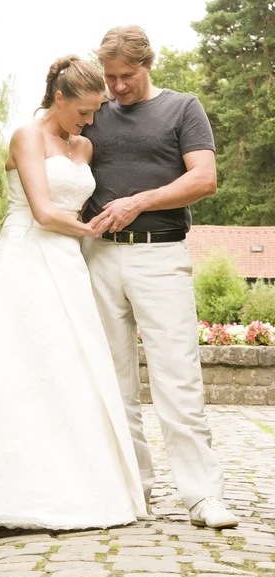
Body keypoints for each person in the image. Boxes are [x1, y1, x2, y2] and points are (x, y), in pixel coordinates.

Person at [0, 55, 147, 532]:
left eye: (96, 110)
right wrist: (94, 228)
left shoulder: (83, 147)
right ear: (58, 97)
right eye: (83, 109)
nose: (90, 119)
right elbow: (42, 210)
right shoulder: (26, 135)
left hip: (68, 264)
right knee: (12, 366)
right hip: (26, 257)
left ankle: (76, 486)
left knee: (68, 368)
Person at [81, 26, 239, 529]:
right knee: (113, 381)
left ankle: (203, 496)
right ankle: (131, 491)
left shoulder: (183, 108)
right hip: (97, 256)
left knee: (178, 377)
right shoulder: (94, 111)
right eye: (109, 77)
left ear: (148, 64)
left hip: (161, 254)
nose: (118, 87)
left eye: (126, 76)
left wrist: (139, 200)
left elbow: (204, 178)